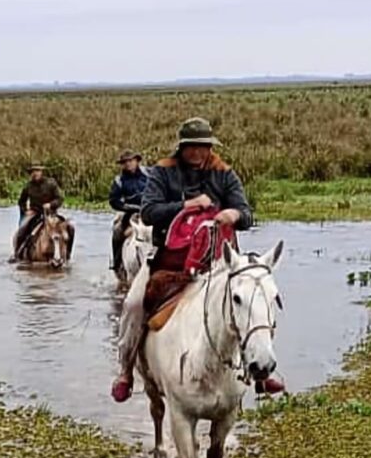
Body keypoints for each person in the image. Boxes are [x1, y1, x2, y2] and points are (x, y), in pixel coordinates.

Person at [111, 116, 283, 402]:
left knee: (257, 295)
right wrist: (185, 205)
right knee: (132, 304)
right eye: (192, 146)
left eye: (203, 146)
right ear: (182, 147)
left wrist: (235, 215)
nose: (197, 152)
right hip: (169, 258)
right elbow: (150, 211)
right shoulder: (162, 172)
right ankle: (125, 370)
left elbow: (246, 213)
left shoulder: (224, 173)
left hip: (219, 258)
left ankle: (263, 373)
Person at [109, 150, 149, 275]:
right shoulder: (119, 180)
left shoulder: (149, 174)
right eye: (125, 162)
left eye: (131, 161)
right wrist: (127, 207)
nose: (128, 164)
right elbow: (113, 201)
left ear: (137, 161)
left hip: (149, 209)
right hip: (130, 212)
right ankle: (117, 263)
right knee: (117, 232)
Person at [12, 164, 64, 259]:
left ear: (41, 172)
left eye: (37, 170)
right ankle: (17, 254)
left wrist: (51, 205)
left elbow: (60, 198)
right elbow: (21, 201)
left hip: (51, 214)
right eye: (33, 171)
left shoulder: (51, 183)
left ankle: (67, 255)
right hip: (35, 213)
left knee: (70, 229)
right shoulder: (28, 186)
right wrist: (26, 211)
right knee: (21, 230)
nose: (35, 173)